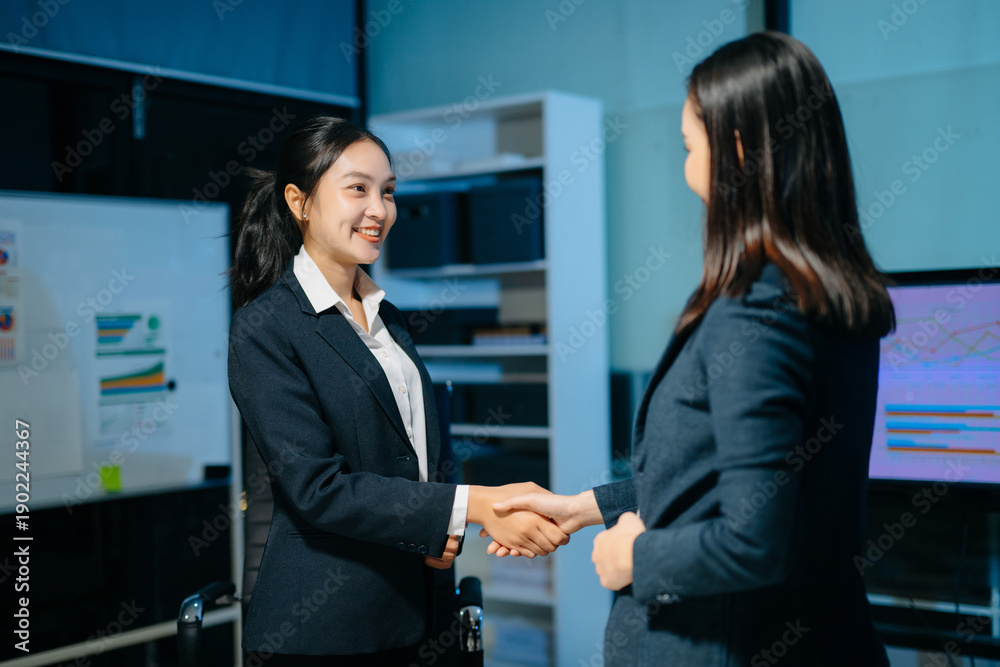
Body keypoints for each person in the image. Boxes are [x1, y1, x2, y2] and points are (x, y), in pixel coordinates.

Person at [486, 32, 894, 666]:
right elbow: (712, 471)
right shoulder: (828, 293)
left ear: (735, 149)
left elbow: (755, 539)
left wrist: (632, 557)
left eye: (688, 146)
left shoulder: (758, 310)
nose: (685, 170)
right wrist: (580, 508)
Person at [226, 116, 568, 665]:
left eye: (387, 192)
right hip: (328, 629)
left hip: (421, 609)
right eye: (358, 189)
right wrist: (473, 506)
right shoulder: (265, 328)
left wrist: (439, 536)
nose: (379, 210)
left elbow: (424, 446)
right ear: (300, 201)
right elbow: (318, 488)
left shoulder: (389, 318)